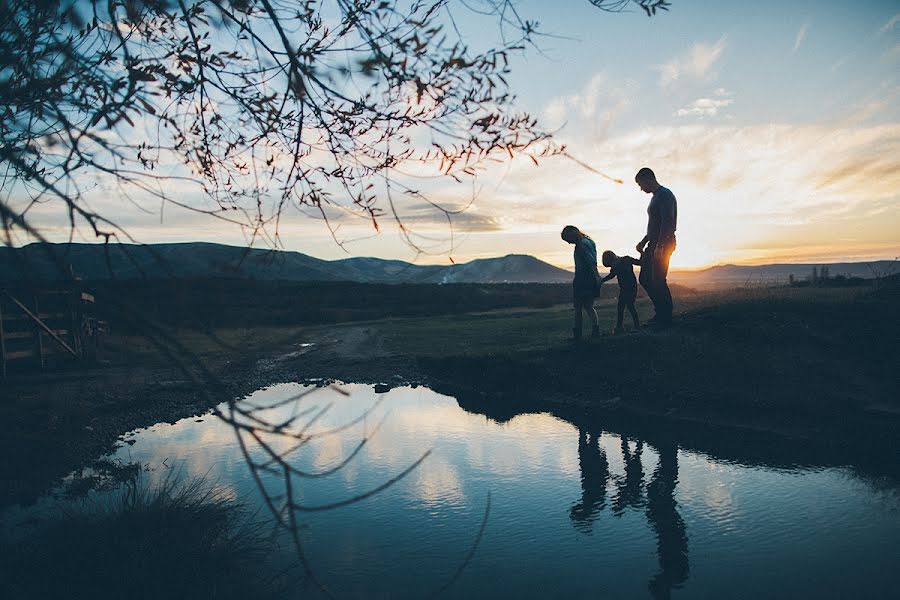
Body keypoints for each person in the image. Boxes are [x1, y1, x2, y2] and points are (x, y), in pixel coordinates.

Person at [634, 167, 677, 329]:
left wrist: (660, 246)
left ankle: (665, 316)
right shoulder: (655, 197)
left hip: (663, 243)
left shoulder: (665, 195)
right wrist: (644, 241)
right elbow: (654, 225)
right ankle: (661, 312)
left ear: (647, 179)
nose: (640, 188)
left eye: (640, 184)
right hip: (653, 243)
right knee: (645, 278)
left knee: (658, 279)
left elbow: (668, 222)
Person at [561, 225, 600, 340]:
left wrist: (596, 275)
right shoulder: (589, 241)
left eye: (568, 239)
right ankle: (595, 330)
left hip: (583, 278)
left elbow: (591, 261)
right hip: (589, 278)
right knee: (588, 306)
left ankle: (578, 334)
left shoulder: (581, 245)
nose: (568, 243)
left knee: (578, 307)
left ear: (573, 233)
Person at [601, 250, 641, 334]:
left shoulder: (616, 265)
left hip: (625, 288)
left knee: (624, 307)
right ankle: (627, 326)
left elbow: (611, 275)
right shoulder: (626, 259)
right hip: (632, 287)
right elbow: (639, 262)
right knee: (626, 306)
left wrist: (601, 281)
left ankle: (624, 327)